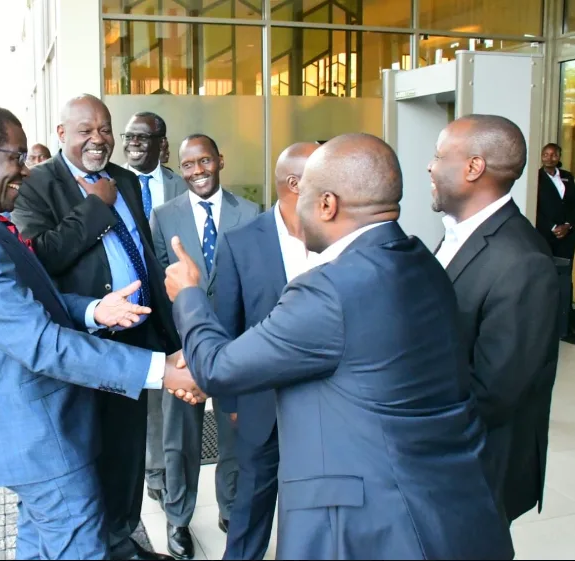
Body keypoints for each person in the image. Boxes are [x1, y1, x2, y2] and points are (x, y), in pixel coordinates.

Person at [163, 133, 514, 560]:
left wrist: (189, 296)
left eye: (303, 196)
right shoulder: (420, 257)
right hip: (452, 505)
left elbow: (219, 367)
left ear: (327, 204)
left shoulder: (330, 289)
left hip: (374, 525)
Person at [0, 103, 200, 561]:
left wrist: (93, 310)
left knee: (39, 545)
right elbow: (40, 341)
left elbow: (31, 298)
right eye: (15, 156)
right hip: (38, 434)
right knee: (79, 545)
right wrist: (164, 372)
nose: (24, 169)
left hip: (38, 426)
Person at [11, 94, 180, 561]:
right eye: (86, 130)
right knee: (91, 452)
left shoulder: (123, 178)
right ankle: (97, 545)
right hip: (83, 345)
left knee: (128, 451)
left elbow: (144, 254)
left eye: (105, 129)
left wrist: (167, 331)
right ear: (62, 134)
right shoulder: (37, 185)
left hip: (136, 333)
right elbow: (41, 257)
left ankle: (123, 538)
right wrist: (95, 208)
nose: (98, 139)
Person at [430, 115, 560, 522]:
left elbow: (496, 393)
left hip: (478, 474)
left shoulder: (523, 261)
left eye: (438, 155)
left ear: (473, 167)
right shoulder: (460, 234)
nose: (430, 166)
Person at [149, 133, 258, 559]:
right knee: (181, 440)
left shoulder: (248, 213)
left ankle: (230, 509)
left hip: (234, 348)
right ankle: (178, 518)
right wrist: (177, 350)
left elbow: (254, 285)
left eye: (205, 161)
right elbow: (162, 292)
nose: (197, 171)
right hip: (183, 348)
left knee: (234, 434)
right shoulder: (163, 216)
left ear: (220, 160)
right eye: (189, 164)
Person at [211, 142, 319, 560]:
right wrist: (231, 400)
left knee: (313, 509)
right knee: (251, 507)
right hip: (261, 407)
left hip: (326, 404)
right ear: (295, 183)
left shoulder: (338, 232)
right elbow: (226, 328)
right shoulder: (241, 242)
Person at [120, 110, 188, 508]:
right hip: (132, 305)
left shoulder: (181, 187)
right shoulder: (113, 184)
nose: (132, 143)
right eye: (128, 135)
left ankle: (171, 468)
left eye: (142, 137)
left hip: (177, 307)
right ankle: (153, 470)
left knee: (174, 392)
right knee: (144, 391)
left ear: (162, 143)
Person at [537, 142, 575, 333]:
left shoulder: (568, 177)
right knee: (545, 277)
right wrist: (553, 227)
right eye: (546, 154)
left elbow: (573, 204)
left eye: (553, 155)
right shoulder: (536, 178)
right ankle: (545, 321)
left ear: (559, 157)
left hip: (567, 236)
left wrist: (568, 225)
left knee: (564, 278)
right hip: (545, 235)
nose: (549, 158)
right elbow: (536, 208)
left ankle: (564, 323)